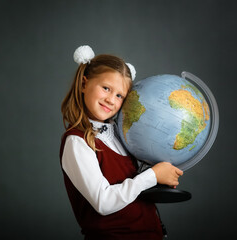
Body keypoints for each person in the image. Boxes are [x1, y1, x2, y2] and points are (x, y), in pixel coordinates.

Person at [59, 45, 183, 240]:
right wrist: (152, 175)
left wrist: (160, 174)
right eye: (106, 88)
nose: (111, 100)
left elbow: (131, 188)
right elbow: (103, 202)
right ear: (84, 84)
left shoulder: (119, 135)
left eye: (119, 96)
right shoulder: (77, 141)